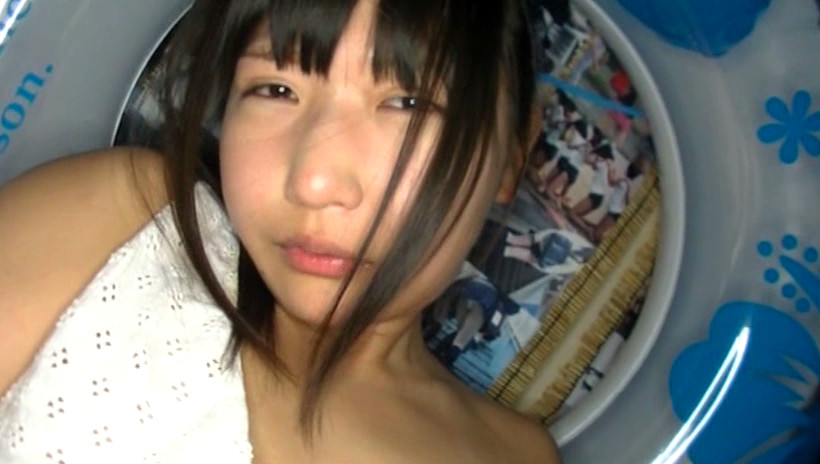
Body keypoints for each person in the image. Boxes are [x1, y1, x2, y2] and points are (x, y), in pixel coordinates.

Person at [0, 0, 562, 463]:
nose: (314, 182)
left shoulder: (516, 454)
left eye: (406, 103)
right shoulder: (121, 224)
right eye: (275, 90)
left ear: (513, 153)